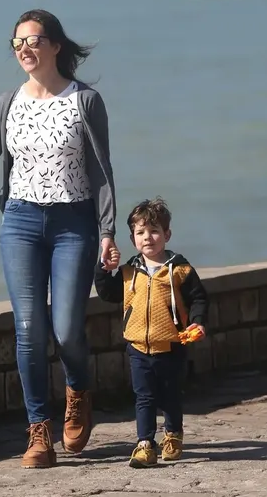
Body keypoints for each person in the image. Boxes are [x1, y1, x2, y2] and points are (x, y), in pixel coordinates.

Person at [0, 9, 120, 469]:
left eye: (33, 40)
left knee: (66, 328)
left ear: (55, 45)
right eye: (17, 43)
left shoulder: (85, 101)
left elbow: (101, 172)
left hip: (74, 224)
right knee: (29, 331)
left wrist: (109, 232)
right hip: (19, 221)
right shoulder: (8, 102)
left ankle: (78, 391)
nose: (24, 49)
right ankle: (39, 432)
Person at [93, 197, 209, 468]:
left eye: (155, 231)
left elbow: (199, 298)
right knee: (144, 396)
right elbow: (107, 293)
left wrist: (198, 321)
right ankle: (145, 444)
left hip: (171, 346)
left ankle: (173, 434)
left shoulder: (179, 268)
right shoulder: (128, 271)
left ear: (166, 235)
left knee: (169, 395)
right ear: (133, 239)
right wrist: (102, 269)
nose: (148, 238)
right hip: (137, 348)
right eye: (141, 233)